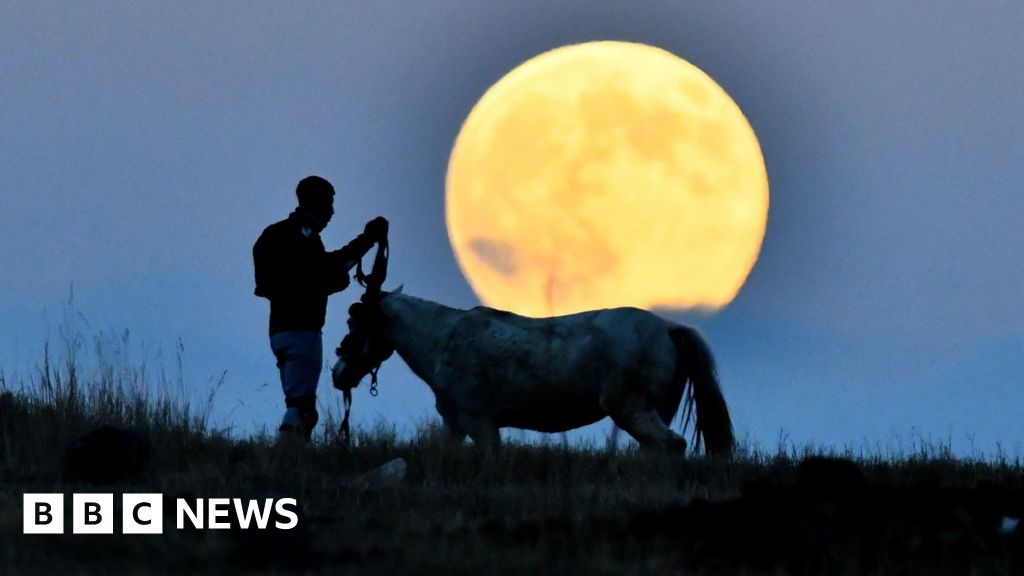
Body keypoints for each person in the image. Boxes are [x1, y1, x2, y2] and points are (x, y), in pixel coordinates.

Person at [253, 175, 387, 440]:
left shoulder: (274, 235)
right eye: (329, 204)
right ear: (317, 204)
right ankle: (288, 462)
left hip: (278, 332)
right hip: (302, 331)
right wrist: (368, 240)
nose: (332, 212)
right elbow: (328, 271)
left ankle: (291, 462)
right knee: (301, 409)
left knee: (297, 402)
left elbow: (318, 272)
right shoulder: (303, 238)